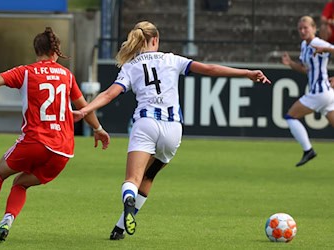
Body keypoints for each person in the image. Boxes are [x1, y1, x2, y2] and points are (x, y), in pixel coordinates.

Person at [73, 21, 270, 239]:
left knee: (132, 179)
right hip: (173, 128)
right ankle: (119, 229)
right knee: (149, 176)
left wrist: (85, 111)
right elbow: (210, 69)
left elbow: (110, 94)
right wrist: (247, 74)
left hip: (146, 124)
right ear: (155, 40)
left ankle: (128, 199)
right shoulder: (172, 59)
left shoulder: (131, 66)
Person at [0, 27, 111, 243]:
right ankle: (7, 221)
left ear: (36, 50)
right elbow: (84, 107)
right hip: (63, 151)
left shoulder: (26, 71)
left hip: (35, 141)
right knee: (21, 183)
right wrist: (98, 129)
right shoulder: (67, 75)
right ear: (55, 51)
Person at [281, 16, 334, 167]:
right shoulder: (305, 44)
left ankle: (308, 150)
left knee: (291, 116)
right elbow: (306, 70)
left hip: (320, 92)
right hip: (327, 94)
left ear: (314, 28)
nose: (303, 31)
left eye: (306, 28)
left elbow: (330, 50)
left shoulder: (318, 43)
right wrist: (290, 63)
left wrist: (327, 49)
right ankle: (308, 150)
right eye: (300, 28)